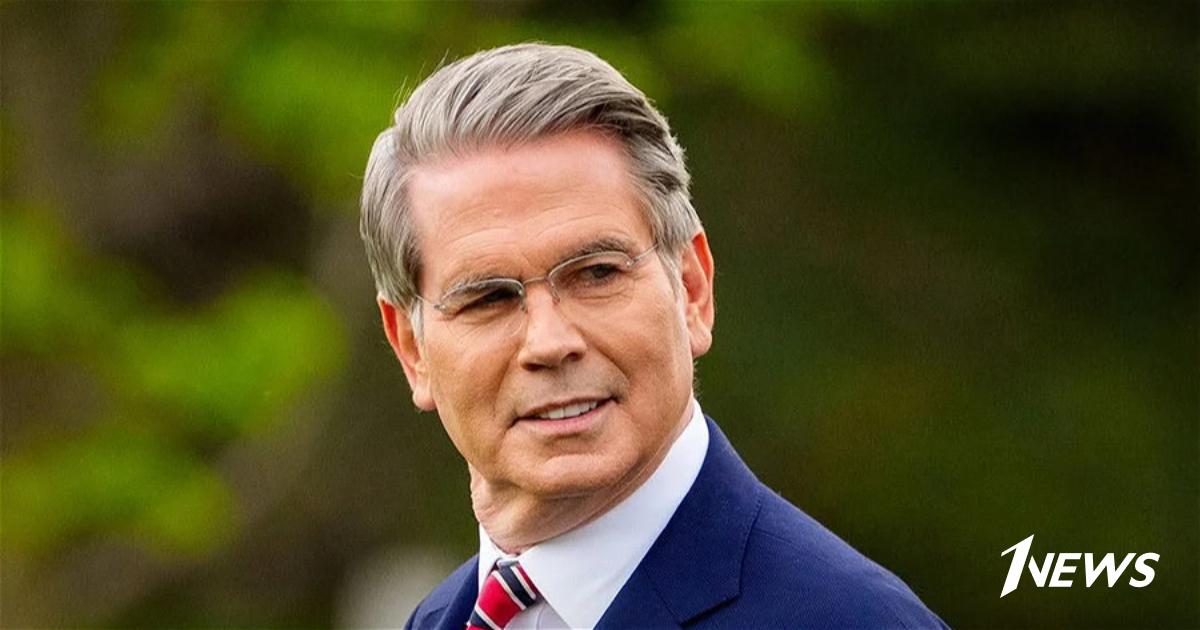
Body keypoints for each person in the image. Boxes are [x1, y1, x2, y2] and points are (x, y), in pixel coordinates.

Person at [359, 43, 948, 630]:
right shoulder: (435, 620)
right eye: (488, 298)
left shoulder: (854, 621)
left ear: (691, 289)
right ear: (412, 350)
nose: (549, 342)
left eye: (597, 273)